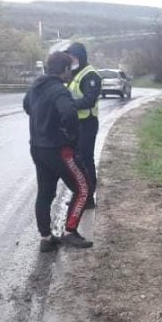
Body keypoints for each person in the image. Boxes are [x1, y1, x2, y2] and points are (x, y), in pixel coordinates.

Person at [23, 51, 95, 252]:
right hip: (59, 150)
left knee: (45, 192)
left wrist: (44, 122)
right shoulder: (60, 91)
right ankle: (70, 232)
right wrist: (70, 138)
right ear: (64, 70)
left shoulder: (36, 87)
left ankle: (46, 238)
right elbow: (69, 115)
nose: (71, 74)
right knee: (83, 188)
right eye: (70, 70)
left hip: (38, 148)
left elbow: (27, 106)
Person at [63, 42, 102, 209]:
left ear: (78, 56)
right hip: (75, 123)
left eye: (71, 56)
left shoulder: (90, 75)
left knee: (86, 160)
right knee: (76, 161)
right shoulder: (73, 73)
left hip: (87, 123)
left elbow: (89, 100)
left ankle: (88, 198)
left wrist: (68, 104)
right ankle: (80, 193)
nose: (69, 60)